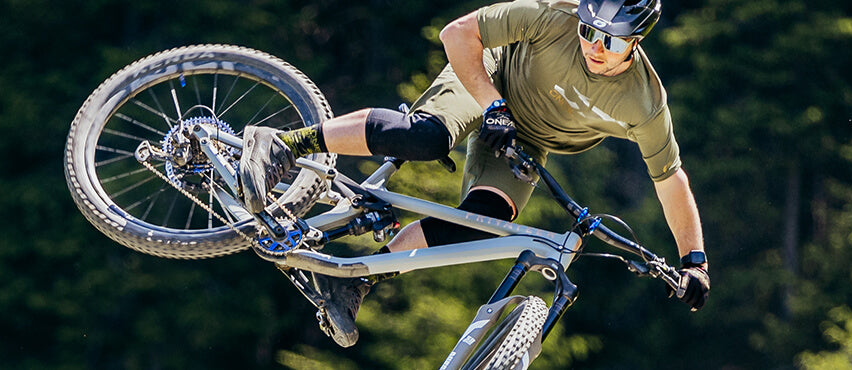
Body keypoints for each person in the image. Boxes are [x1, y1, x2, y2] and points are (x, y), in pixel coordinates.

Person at [239, 0, 710, 348]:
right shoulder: (554, 17)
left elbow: (670, 181)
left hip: (527, 142)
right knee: (426, 137)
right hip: (487, 79)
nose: (594, 46)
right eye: (589, 31)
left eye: (609, 40)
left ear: (636, 41)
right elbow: (457, 34)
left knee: (481, 223)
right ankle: (283, 145)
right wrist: (493, 106)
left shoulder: (645, 104)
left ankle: (352, 283)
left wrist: (694, 261)